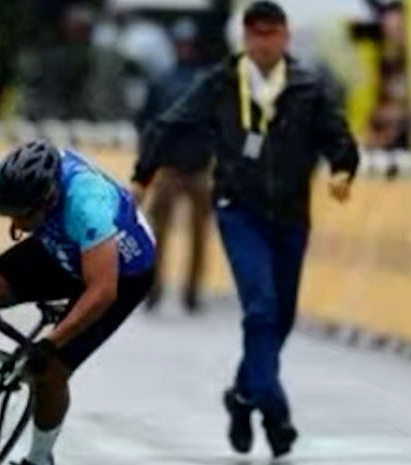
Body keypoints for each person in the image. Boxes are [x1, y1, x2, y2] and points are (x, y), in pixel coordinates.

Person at [131, 1, 359, 457]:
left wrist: (342, 169)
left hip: (292, 215)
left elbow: (338, 136)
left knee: (281, 320)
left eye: (272, 33)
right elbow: (169, 123)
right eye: (256, 33)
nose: (264, 43)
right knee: (261, 310)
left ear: (286, 37)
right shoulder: (219, 83)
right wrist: (144, 174)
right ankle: (275, 414)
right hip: (240, 210)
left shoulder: (307, 87)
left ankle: (242, 396)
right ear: (245, 37)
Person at [0, 140, 157, 465]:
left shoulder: (88, 204)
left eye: (22, 216)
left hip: (122, 273)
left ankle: (40, 458)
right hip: (61, 244)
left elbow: (102, 291)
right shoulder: (8, 176)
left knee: (50, 371)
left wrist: (51, 343)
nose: (15, 225)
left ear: (48, 201)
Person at [134, 17, 212, 312]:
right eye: (181, 43)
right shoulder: (162, 81)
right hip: (169, 168)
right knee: (157, 233)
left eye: (189, 44)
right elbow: (146, 122)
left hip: (199, 168)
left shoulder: (206, 82)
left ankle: (192, 291)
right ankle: (153, 289)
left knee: (199, 234)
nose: (185, 49)